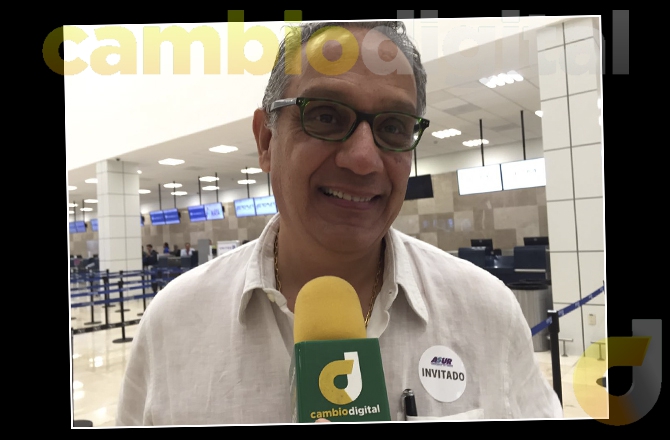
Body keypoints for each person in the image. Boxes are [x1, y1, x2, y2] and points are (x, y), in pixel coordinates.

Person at [116, 20, 562, 426]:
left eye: (393, 126)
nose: (363, 158)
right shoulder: (174, 324)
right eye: (326, 116)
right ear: (266, 141)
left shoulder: (487, 313)